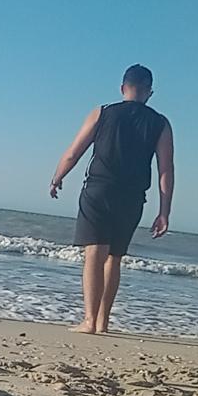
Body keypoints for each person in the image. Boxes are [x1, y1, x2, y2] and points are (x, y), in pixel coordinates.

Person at [50, 64, 175, 334]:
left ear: (122, 88)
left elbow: (74, 152)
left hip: (99, 189)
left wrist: (57, 177)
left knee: (94, 253)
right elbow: (166, 168)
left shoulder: (103, 112)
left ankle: (89, 321)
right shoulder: (161, 123)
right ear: (149, 92)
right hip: (132, 197)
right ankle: (103, 322)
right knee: (114, 257)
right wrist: (164, 211)